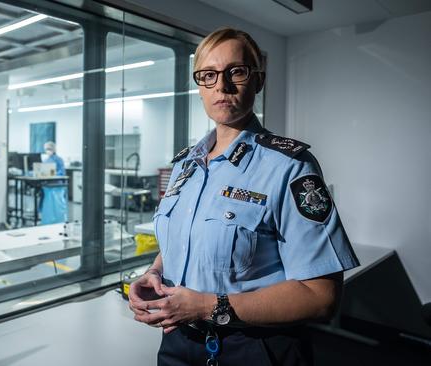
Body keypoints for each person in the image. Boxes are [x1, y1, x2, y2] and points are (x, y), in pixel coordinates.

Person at [128, 27, 359, 366]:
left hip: (254, 347)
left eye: (235, 71)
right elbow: (185, 239)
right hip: (178, 341)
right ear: (199, 86)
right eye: (208, 75)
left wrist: (207, 306)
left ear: (258, 80)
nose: (221, 86)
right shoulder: (185, 166)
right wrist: (155, 273)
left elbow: (321, 297)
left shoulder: (289, 167)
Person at [39, 141, 67, 224]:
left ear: (54, 149)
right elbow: (42, 170)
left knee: (57, 206)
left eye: (49, 149)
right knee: (48, 205)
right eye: (46, 149)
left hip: (57, 185)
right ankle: (47, 221)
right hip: (47, 185)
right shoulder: (46, 160)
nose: (48, 150)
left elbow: (62, 172)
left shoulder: (59, 159)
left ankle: (58, 221)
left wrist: (53, 174)